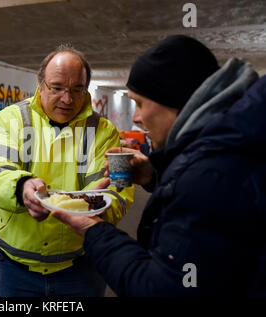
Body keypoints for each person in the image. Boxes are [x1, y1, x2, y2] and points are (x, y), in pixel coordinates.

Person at [52, 35, 266, 296]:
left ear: (173, 100)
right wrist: (155, 174)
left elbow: (162, 289)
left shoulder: (211, 175)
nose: (138, 118)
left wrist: (95, 231)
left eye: (140, 103)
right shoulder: (231, 145)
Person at [0, 44, 134, 297]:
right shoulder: (11, 120)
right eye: (57, 88)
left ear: (85, 89)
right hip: (15, 268)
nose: (67, 99)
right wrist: (20, 187)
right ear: (40, 83)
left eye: (76, 89)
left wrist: (96, 208)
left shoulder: (103, 131)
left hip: (80, 265)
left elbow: (116, 190)